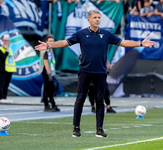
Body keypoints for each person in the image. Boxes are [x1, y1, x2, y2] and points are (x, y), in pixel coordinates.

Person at [35, 10, 155, 138]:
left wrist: (141, 43)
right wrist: (48, 45)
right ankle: (76, 128)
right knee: (80, 99)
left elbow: (123, 42)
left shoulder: (107, 34)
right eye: (95, 17)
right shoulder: (81, 34)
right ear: (89, 20)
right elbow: (64, 43)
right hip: (85, 71)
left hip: (100, 72)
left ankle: (99, 129)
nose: (97, 19)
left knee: (100, 100)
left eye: (99, 17)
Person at [38, 35, 60, 112]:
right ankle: (46, 106)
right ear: (46, 42)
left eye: (52, 41)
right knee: (47, 89)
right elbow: (45, 62)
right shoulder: (46, 50)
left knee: (51, 89)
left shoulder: (50, 50)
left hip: (50, 71)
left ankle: (53, 104)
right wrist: (49, 73)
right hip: (47, 72)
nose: (51, 42)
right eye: (50, 41)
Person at [0, 34, 16, 103]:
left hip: (9, 70)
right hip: (2, 70)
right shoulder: (1, 49)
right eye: (4, 40)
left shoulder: (10, 49)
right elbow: (3, 57)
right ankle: (1, 97)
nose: (6, 42)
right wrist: (6, 50)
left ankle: (4, 97)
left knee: (6, 85)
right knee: (1, 84)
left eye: (7, 40)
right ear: (2, 41)